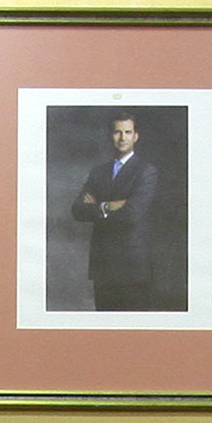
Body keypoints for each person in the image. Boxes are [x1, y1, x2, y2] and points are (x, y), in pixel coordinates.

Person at [72, 111, 158, 311]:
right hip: (103, 264)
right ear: (110, 135)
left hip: (132, 266)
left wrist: (96, 207)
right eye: (117, 132)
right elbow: (77, 210)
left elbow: (131, 214)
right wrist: (107, 206)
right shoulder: (98, 171)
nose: (122, 138)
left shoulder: (146, 171)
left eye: (127, 132)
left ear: (135, 136)